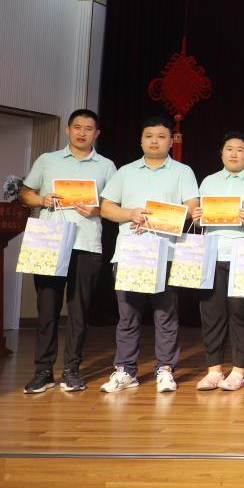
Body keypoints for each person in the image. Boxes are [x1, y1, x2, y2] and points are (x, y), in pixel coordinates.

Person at [18, 109, 117, 394]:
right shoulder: (47, 160)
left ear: (97, 133)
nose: (82, 133)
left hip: (87, 244)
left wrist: (96, 209)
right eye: (77, 127)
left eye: (88, 128)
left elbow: (113, 206)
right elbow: (25, 194)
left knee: (79, 311)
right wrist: (42, 199)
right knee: (47, 309)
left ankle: (72, 370)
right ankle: (43, 371)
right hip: (49, 241)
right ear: (68, 130)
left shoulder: (107, 166)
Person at [99, 115, 199, 393]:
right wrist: (130, 213)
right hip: (130, 253)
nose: (155, 141)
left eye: (161, 136)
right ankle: (125, 371)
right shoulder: (126, 172)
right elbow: (106, 207)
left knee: (165, 315)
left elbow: (192, 207)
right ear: (141, 140)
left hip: (166, 253)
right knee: (128, 315)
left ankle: (165, 369)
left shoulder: (182, 171)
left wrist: (162, 218)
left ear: (171, 141)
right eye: (149, 136)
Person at [190, 131, 244, 392]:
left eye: (240, 149)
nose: (234, 154)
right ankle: (213, 370)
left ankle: (238, 371)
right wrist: (198, 218)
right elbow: (201, 223)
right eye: (229, 149)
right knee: (212, 314)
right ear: (221, 153)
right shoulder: (208, 182)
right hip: (212, 255)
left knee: (240, 314)